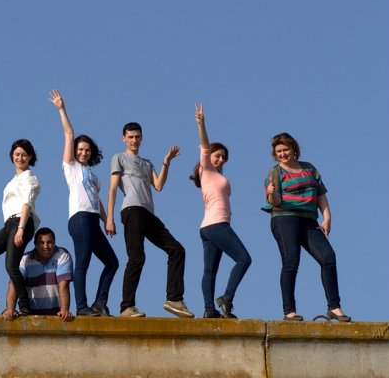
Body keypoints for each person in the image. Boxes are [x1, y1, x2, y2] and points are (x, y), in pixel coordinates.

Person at [106, 122, 193, 318]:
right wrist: (109, 218)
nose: (134, 140)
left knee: (177, 250)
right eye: (130, 137)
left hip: (148, 214)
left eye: (137, 137)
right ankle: (127, 307)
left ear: (142, 138)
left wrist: (166, 162)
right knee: (137, 257)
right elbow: (112, 189)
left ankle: (174, 299)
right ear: (124, 138)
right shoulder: (119, 158)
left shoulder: (147, 163)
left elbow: (159, 185)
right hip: (131, 210)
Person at [263, 132, 350, 322]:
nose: (282, 154)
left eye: (285, 149)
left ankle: (334, 307)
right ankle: (289, 311)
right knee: (291, 261)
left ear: (294, 149)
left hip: (309, 220)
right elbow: (275, 202)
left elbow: (320, 194)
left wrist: (327, 218)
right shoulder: (275, 172)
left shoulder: (309, 168)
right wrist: (271, 194)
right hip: (284, 218)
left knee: (328, 257)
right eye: (279, 151)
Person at [49, 89, 119, 317]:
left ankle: (99, 303)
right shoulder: (71, 167)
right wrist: (61, 109)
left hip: (93, 220)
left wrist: (107, 220)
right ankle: (81, 307)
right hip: (79, 218)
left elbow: (96, 200)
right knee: (83, 263)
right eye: (80, 149)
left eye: (87, 150)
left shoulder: (94, 176)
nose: (84, 153)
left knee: (112, 262)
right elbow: (69, 133)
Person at [190, 104, 251, 319]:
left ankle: (209, 309)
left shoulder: (217, 176)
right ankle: (227, 298)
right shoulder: (206, 170)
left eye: (223, 157)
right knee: (244, 259)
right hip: (217, 225)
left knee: (210, 271)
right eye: (218, 156)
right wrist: (201, 124)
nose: (221, 159)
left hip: (208, 228)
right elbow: (204, 147)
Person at [0, 139, 41, 315]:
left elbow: (27, 203)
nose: (20, 158)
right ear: (12, 156)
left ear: (30, 157)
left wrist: (21, 228)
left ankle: (25, 305)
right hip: (9, 224)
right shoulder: (14, 180)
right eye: (17, 154)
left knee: (11, 266)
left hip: (21, 222)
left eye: (24, 155)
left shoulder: (29, 177)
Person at [1, 227, 74, 322]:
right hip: (31, 316)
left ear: (54, 243)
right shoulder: (25, 260)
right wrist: (10, 309)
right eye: (42, 243)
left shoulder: (62, 255)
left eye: (49, 242)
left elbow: (64, 285)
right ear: (35, 245)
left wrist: (64, 310)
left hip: (56, 316)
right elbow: (14, 284)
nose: (46, 246)